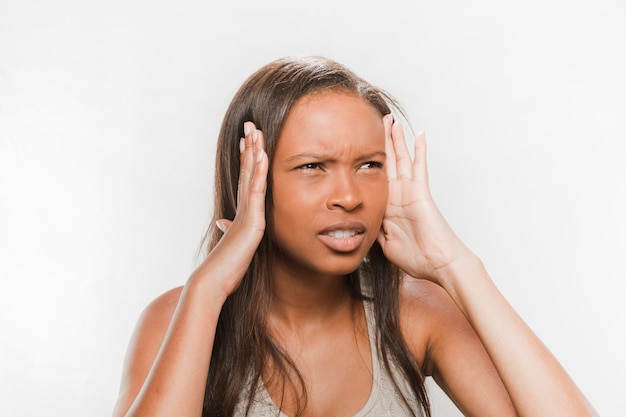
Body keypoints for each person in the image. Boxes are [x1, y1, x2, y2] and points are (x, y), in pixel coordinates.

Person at [111, 56, 598, 417]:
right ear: (251, 182)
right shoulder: (179, 317)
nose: (348, 195)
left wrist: (455, 265)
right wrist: (207, 289)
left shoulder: (417, 315)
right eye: (313, 167)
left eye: (369, 165)